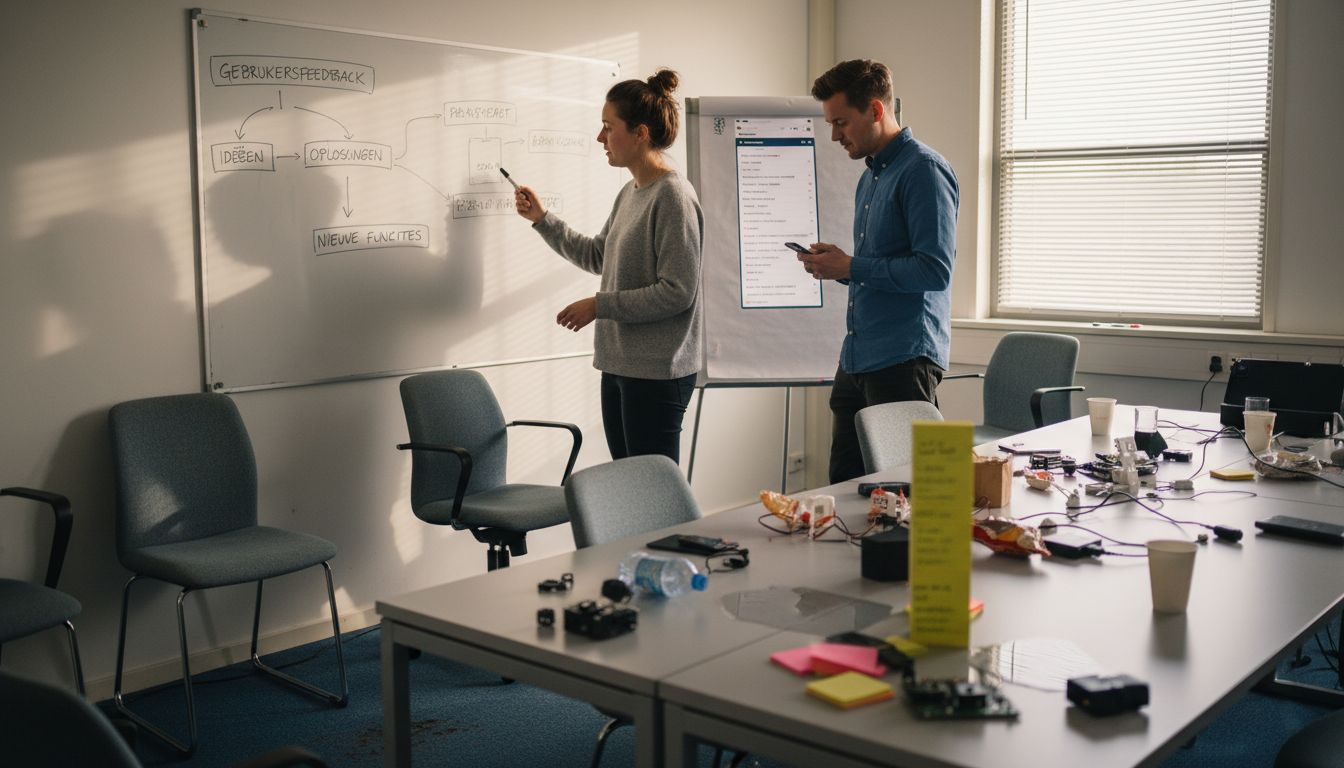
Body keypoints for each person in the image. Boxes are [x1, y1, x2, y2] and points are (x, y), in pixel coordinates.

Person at [514, 69, 704, 465]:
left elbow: (678, 291)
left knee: (653, 495)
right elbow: (598, 256)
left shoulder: (673, 197)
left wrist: (601, 306)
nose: (600, 138)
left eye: (607, 127)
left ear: (640, 133)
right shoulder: (631, 191)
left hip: (657, 373)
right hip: (620, 364)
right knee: (629, 486)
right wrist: (542, 219)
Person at [799, 59, 959, 483]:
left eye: (841, 122)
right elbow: (881, 265)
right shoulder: (870, 178)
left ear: (874, 109)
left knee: (909, 496)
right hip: (858, 357)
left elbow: (934, 270)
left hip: (903, 359)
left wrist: (853, 265)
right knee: (845, 490)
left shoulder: (923, 170)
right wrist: (842, 267)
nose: (834, 135)